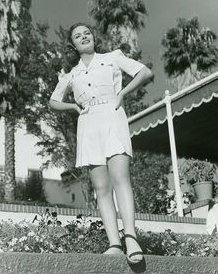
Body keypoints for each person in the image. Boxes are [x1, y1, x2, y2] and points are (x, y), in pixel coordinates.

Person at [49, 22, 153, 264]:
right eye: (78, 35)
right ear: (72, 45)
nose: (84, 37)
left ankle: (131, 239)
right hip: (88, 123)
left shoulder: (113, 57)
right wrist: (73, 107)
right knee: (102, 188)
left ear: (93, 38)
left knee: (120, 179)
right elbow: (53, 101)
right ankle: (114, 244)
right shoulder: (71, 74)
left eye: (87, 33)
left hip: (112, 116)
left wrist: (122, 94)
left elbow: (144, 72)